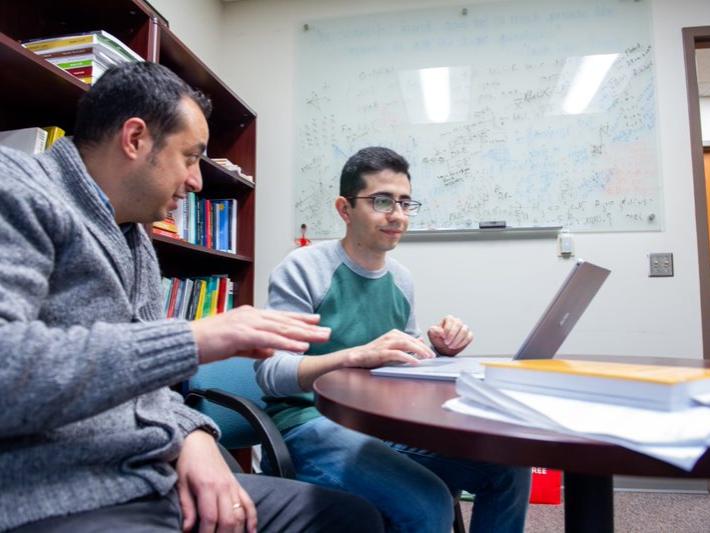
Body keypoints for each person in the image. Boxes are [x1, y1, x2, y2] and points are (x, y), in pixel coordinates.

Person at [0, 62, 385, 533]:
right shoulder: (16, 189)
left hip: (146, 472)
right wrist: (190, 339)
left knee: (349, 517)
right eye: (190, 157)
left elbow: (146, 384)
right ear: (136, 139)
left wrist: (194, 436)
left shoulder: (132, 234)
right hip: (57, 494)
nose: (197, 181)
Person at [257, 146, 532, 532]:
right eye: (382, 201)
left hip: (380, 427)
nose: (398, 216)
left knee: (508, 468)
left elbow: (404, 367)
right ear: (344, 208)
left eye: (405, 203)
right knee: (428, 503)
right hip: (308, 425)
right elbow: (271, 372)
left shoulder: (401, 278)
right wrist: (355, 356)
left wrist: (437, 350)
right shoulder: (304, 268)